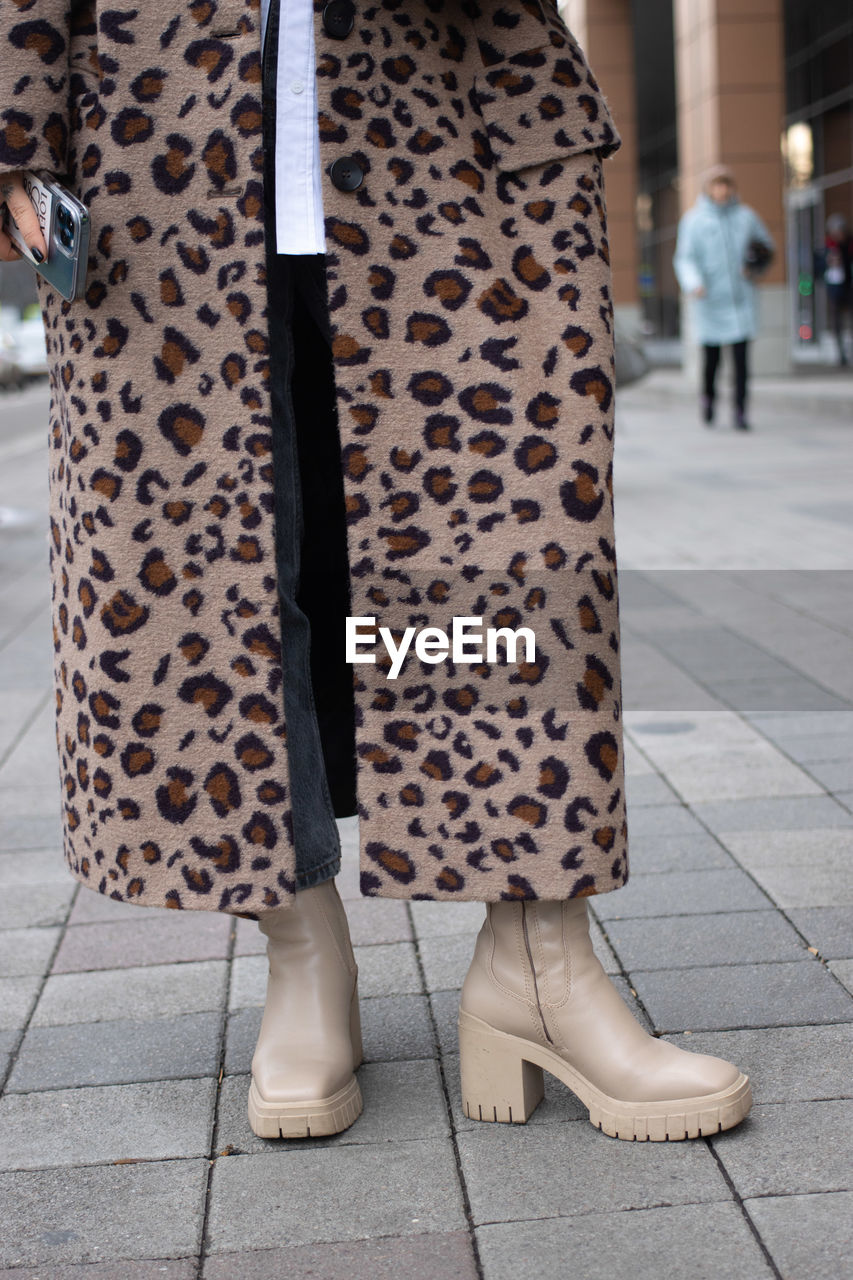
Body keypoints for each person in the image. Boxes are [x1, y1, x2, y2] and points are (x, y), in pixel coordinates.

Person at [0, 0, 751, 1144]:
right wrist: (12, 128)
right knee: (223, 580)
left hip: (462, 122)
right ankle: (304, 951)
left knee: (488, 558)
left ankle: (539, 959)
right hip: (161, 156)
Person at [673, 164, 775, 430]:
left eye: (726, 185)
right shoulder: (694, 220)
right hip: (709, 302)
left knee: (741, 362)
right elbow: (685, 258)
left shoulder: (746, 217)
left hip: (741, 299)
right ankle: (708, 398)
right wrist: (694, 284)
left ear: (732, 188)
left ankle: (740, 411)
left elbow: (765, 246)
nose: (722, 190)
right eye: (717, 185)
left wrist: (753, 266)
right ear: (709, 189)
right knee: (712, 361)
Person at [816, 213, 853, 366]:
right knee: (837, 322)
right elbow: (817, 268)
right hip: (835, 289)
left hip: (850, 287)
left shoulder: (849, 245)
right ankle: (841, 354)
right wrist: (828, 263)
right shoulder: (826, 247)